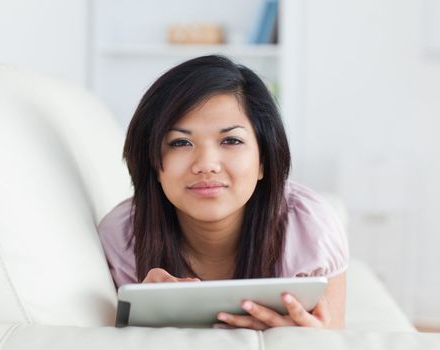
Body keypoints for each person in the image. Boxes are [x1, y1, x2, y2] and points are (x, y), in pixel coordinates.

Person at [99, 55, 348, 330]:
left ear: (263, 160)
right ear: (153, 163)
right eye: (181, 142)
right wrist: (141, 321)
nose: (206, 164)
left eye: (231, 140)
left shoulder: (310, 227)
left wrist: (309, 341)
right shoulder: (123, 237)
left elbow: (333, 334)